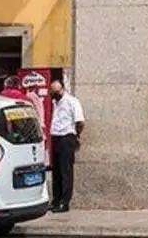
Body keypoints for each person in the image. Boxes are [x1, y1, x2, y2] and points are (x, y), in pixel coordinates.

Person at [48, 80, 85, 213]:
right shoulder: (54, 103)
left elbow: (80, 122)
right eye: (52, 93)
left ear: (62, 90)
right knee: (56, 171)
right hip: (55, 137)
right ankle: (56, 200)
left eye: (56, 92)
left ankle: (65, 202)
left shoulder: (72, 101)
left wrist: (76, 135)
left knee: (66, 171)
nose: (54, 95)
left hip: (66, 137)